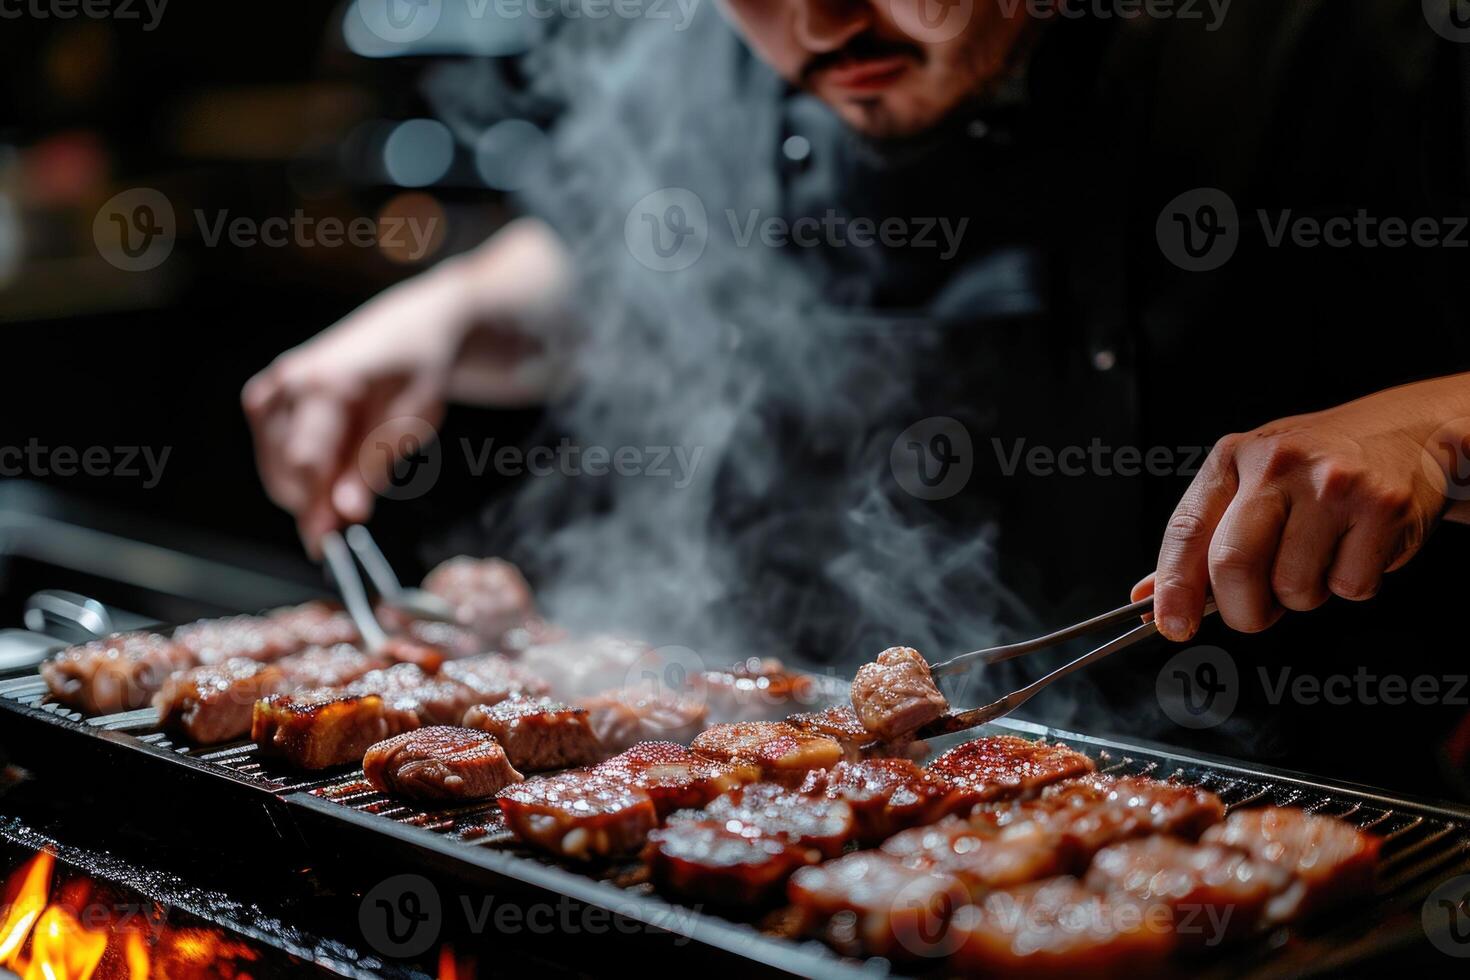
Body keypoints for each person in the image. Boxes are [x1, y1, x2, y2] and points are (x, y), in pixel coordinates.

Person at [244, 0, 1470, 794]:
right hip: (821, 804)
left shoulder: (1355, 38)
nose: (820, 20)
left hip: (1285, 800)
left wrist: (1430, 426)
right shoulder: (726, 43)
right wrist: (447, 313)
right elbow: (621, 264)